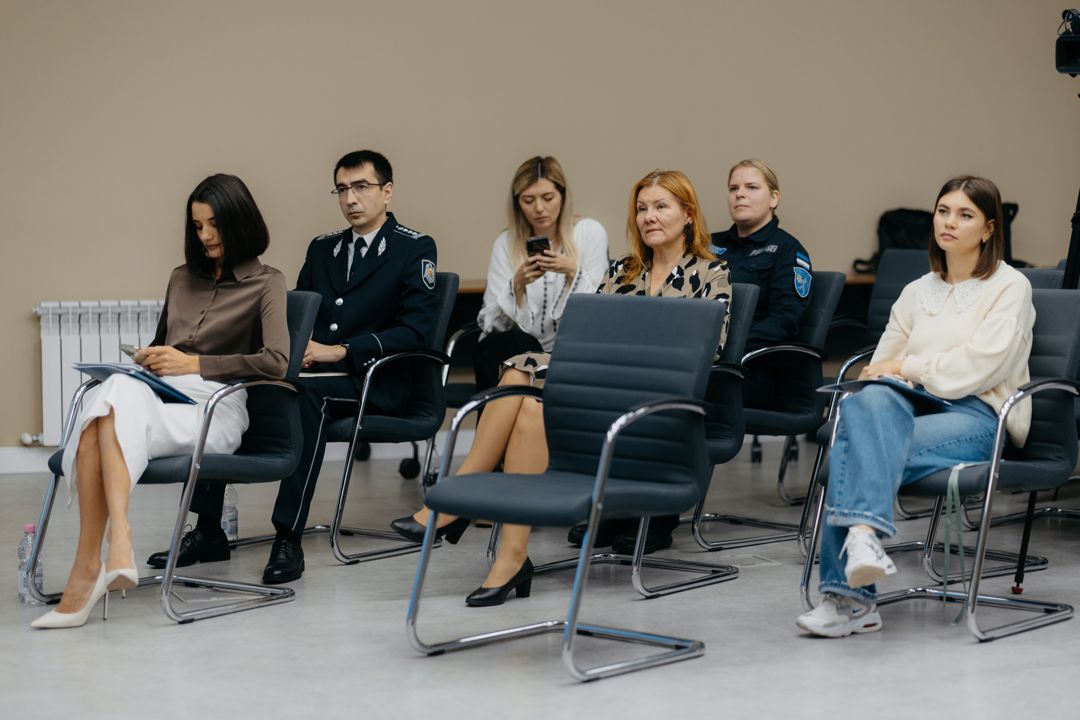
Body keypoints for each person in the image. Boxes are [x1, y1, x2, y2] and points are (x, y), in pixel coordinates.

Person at [391, 170, 730, 605]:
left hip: (657, 405)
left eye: (661, 207)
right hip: (604, 392)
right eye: (642, 208)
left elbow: (709, 350)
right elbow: (589, 335)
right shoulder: (623, 271)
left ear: (688, 214)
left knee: (525, 379)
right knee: (524, 389)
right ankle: (510, 558)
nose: (649, 217)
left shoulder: (712, 272)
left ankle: (455, 502)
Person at [146, 150, 439, 584]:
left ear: (387, 191)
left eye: (361, 187)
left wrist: (341, 351)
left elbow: (417, 331)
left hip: (375, 380)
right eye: (342, 189)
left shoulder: (414, 247)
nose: (351, 198)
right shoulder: (323, 249)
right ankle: (208, 529)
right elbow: (297, 321)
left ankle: (288, 535)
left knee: (304, 399)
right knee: (233, 388)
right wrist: (295, 348)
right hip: (317, 370)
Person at [32, 174, 289, 629]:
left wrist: (194, 364)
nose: (205, 236)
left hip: (214, 406)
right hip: (158, 397)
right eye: (197, 226)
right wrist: (149, 358)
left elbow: (277, 362)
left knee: (104, 411)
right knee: (116, 392)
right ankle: (116, 546)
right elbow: (161, 345)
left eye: (215, 225)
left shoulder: (267, 282)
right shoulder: (181, 278)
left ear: (240, 222)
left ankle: (91, 568)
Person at [796, 175, 1035, 638]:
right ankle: (862, 547)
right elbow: (881, 366)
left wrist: (911, 366)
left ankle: (847, 599)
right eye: (943, 211)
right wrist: (897, 371)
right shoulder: (917, 291)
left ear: (989, 228)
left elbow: (980, 367)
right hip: (912, 407)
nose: (949, 222)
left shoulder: (1010, 286)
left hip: (978, 415)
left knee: (853, 443)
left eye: (965, 215)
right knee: (872, 399)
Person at [473, 156, 608, 390]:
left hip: (572, 352)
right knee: (516, 344)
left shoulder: (589, 233)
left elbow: (601, 313)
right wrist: (516, 286)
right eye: (528, 200)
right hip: (515, 352)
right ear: (517, 204)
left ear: (562, 196)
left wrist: (572, 272)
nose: (539, 208)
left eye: (548, 198)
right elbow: (489, 325)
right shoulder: (505, 243)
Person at [710, 159, 812, 407]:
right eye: (733, 188)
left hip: (752, 368)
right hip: (703, 357)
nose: (740, 194)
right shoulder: (708, 245)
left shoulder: (788, 250)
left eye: (751, 187)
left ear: (773, 198)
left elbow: (784, 320)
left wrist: (726, 347)